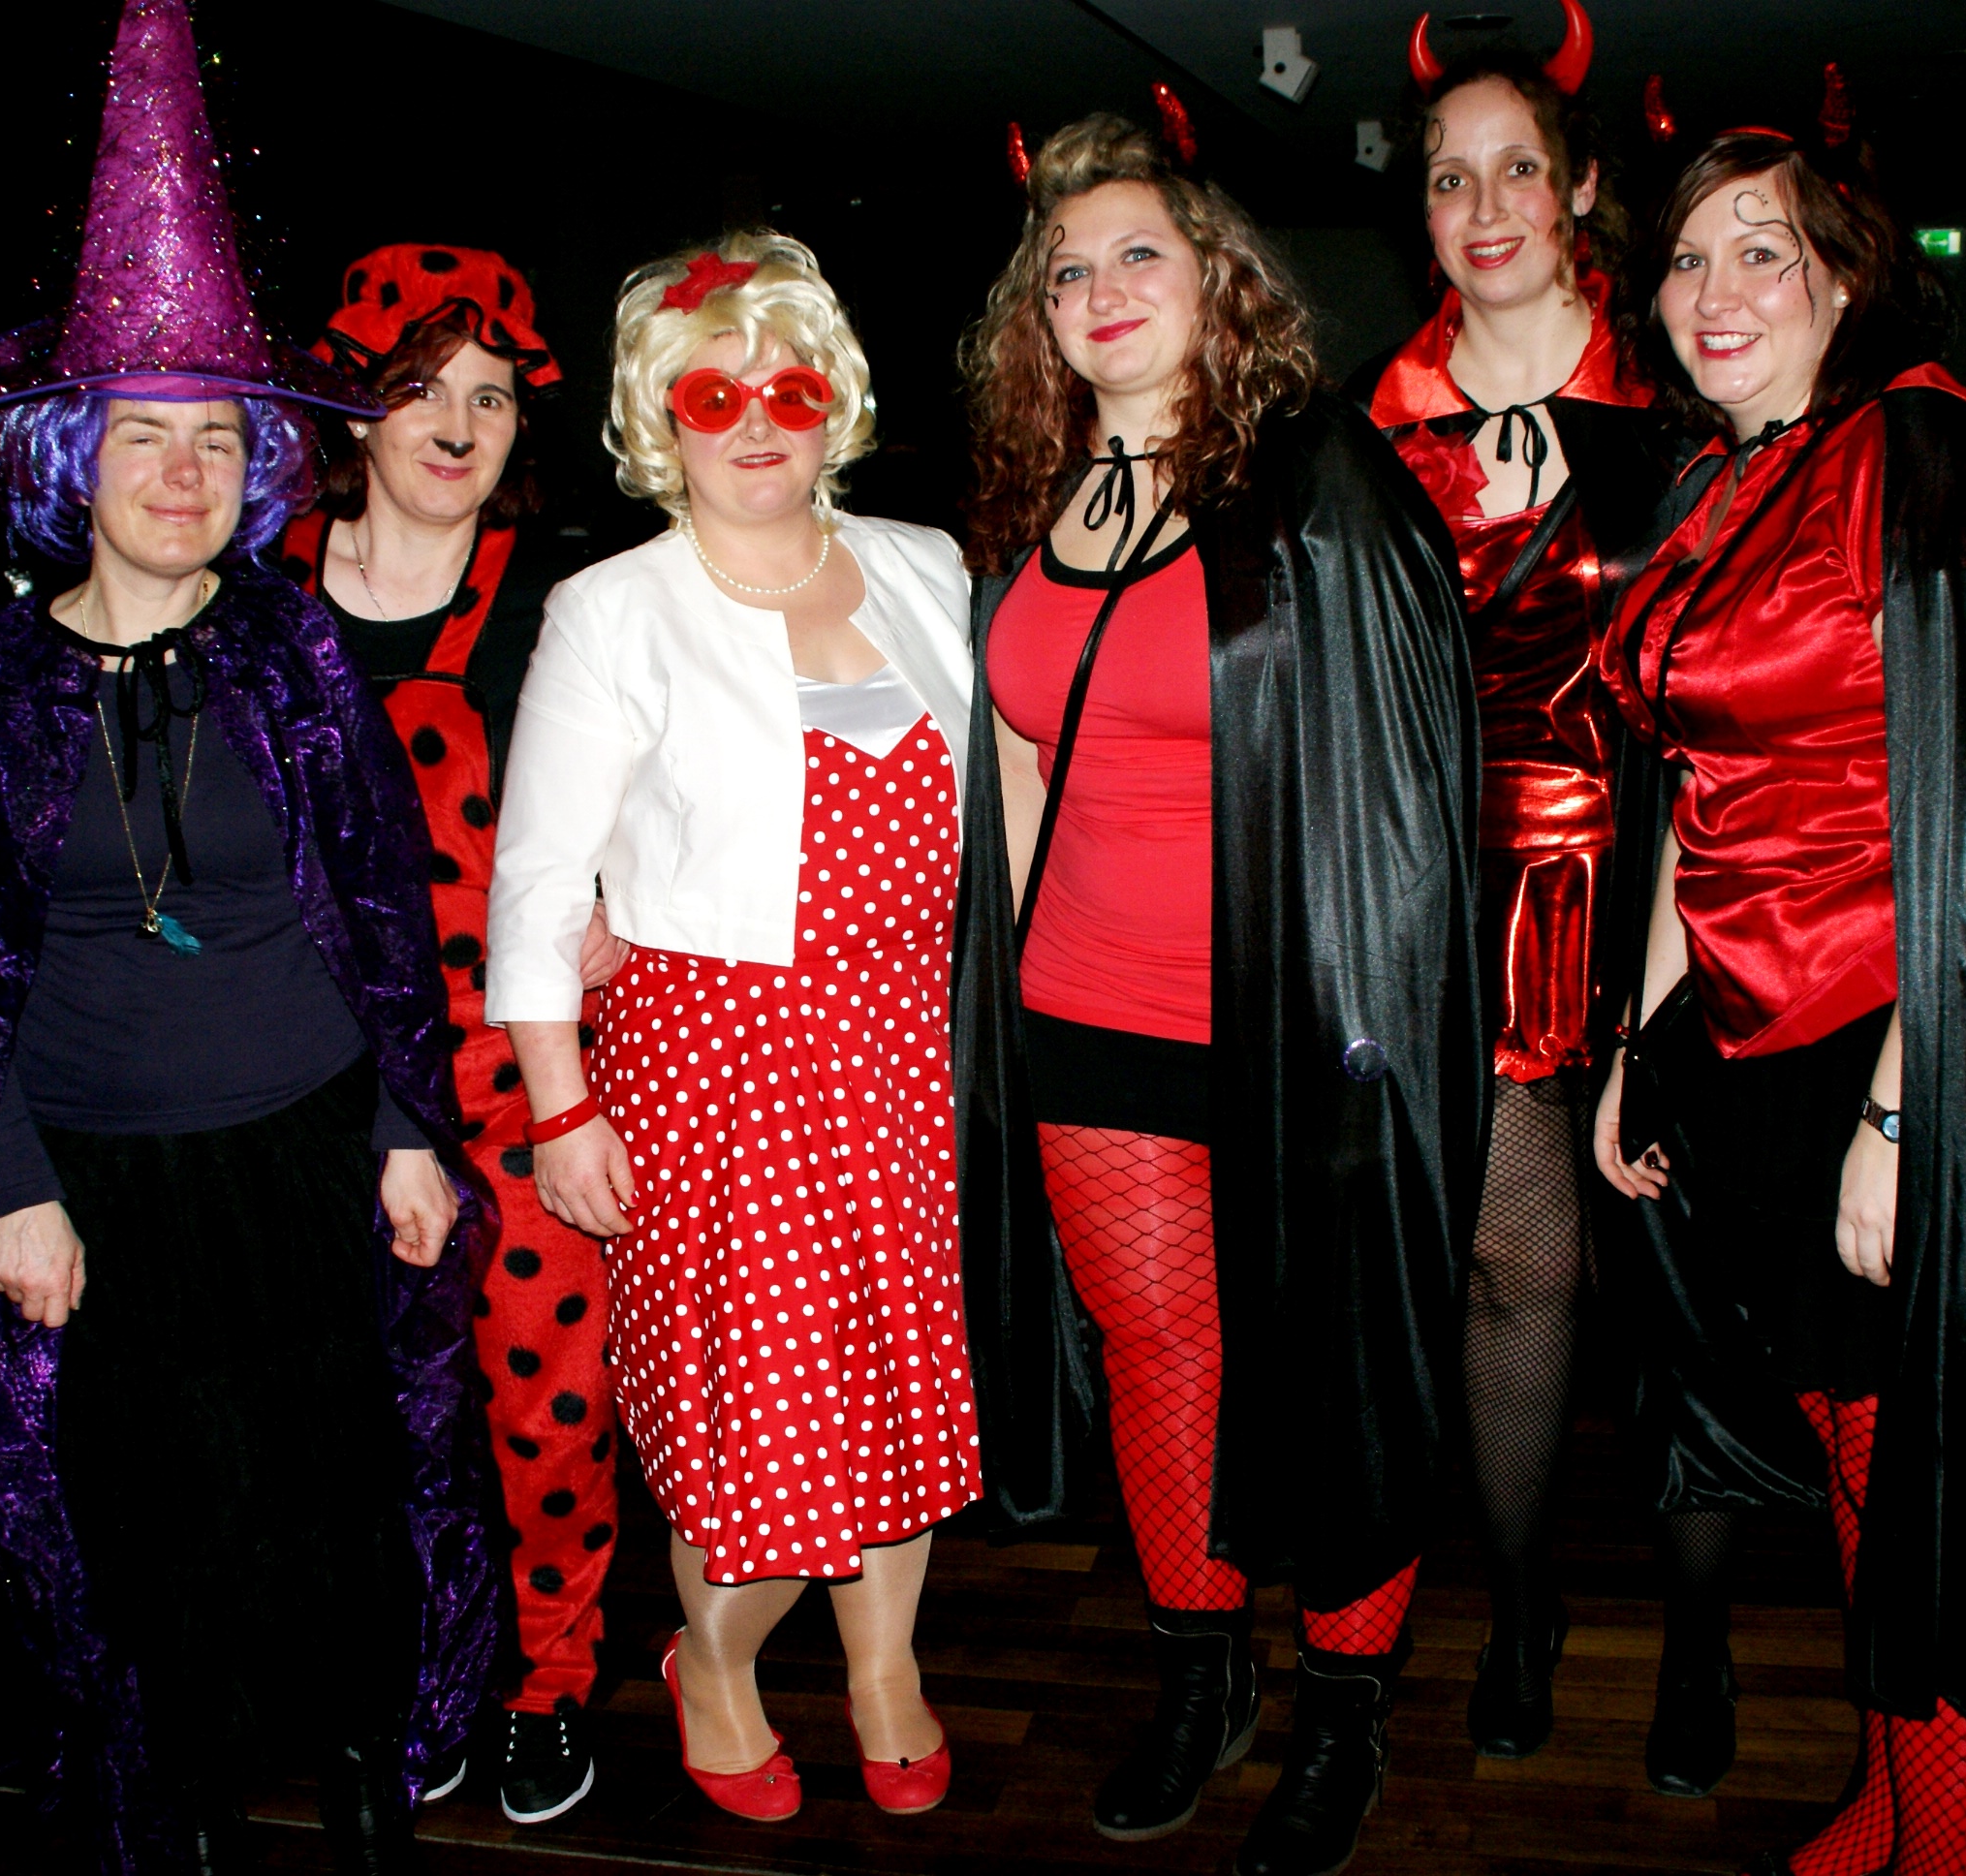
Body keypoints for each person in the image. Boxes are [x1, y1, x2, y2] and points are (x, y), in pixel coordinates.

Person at [0, 5, 497, 1866]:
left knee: (342, 1490)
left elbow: (381, 910)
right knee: (156, 1518)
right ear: (72, 459)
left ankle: (371, 1777)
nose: (185, 473)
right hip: (103, 1182)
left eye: (219, 439)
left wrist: (403, 1128)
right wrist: (11, 1183)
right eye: (145, 438)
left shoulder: (294, 650)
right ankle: (190, 1812)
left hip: (306, 1151)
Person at [1591, 128, 1966, 1876]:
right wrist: (1638, 1045)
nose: (1713, 292)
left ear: (1847, 278)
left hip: (1919, 1036)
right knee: (1864, 1456)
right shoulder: (1724, 483)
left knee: (1948, 1481)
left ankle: (1953, 1848)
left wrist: (1904, 1109)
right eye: (1687, 257)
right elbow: (1693, 794)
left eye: (1760, 251)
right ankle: (1888, 1784)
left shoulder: (1920, 452)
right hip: (1753, 1043)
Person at [954, 107, 1482, 1876]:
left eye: (1141, 254)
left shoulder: (1319, 477)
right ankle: (1204, 1670)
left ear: (1219, 281)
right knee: (1160, 1355)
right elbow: (1018, 758)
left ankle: (1347, 1707)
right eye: (1068, 270)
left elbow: (1409, 787)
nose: (1102, 289)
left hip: (1298, 1024)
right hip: (1086, 1012)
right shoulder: (1037, 491)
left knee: (1335, 1359)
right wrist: (1002, 995)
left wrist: (1396, 1029)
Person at [484, 231, 979, 1824]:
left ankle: (885, 1670)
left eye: (789, 388)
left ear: (836, 403)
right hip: (718, 1067)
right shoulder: (611, 608)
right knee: (759, 1418)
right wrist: (562, 1106)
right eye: (711, 395)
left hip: (905, 1052)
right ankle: (716, 1662)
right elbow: (539, 878)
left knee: (898, 1386)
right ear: (661, 421)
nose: (756, 422)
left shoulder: (926, 564)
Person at [1355, 2, 1697, 1784]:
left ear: (1575, 192)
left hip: (1685, 875)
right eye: (1446, 177)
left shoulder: (1688, 385)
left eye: (1514, 170)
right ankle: (1521, 1601)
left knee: (1692, 1279)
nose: (1482, 207)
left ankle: (1702, 1630)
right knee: (1514, 1262)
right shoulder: (1372, 429)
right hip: (1468, 899)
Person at [277, 244, 622, 1828]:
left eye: (491, 397)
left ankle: (552, 1680)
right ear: (356, 406)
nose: (458, 426)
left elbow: (673, 788)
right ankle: (418, 1666)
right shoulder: (254, 592)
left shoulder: (564, 600)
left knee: (547, 1411)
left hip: (514, 1080)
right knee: (355, 1417)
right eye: (424, 387)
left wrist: (624, 907)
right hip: (305, 1092)